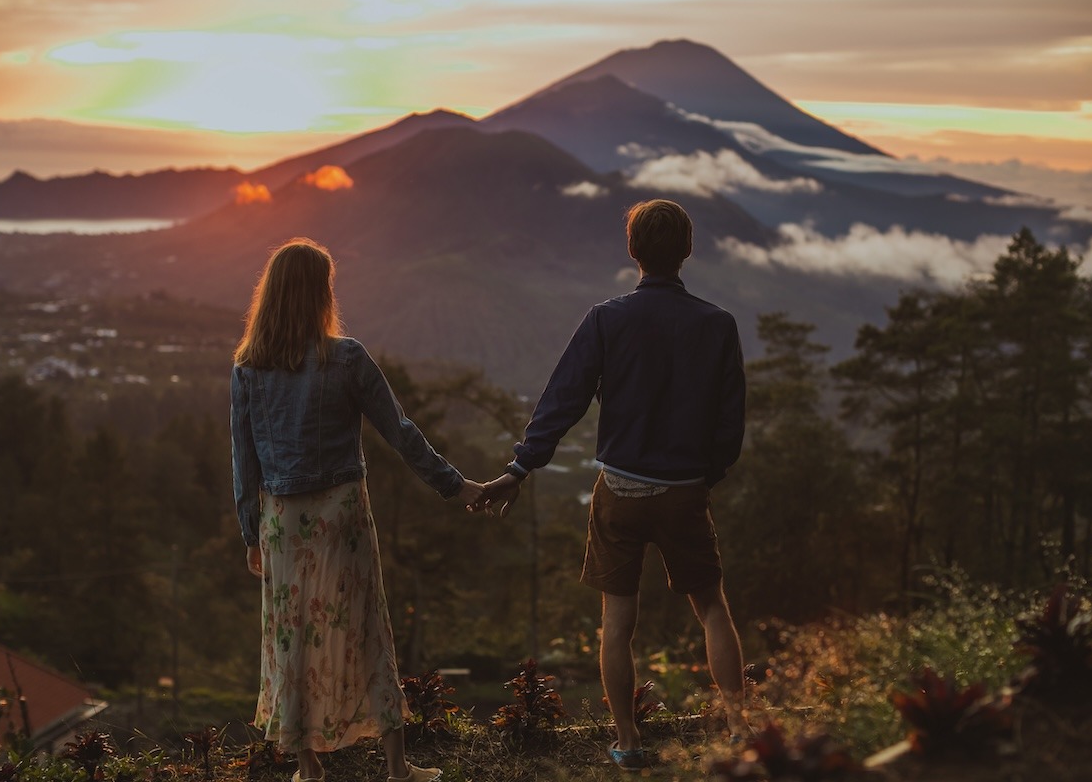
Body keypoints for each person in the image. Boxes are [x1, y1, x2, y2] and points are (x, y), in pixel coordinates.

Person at [474, 199, 749, 769]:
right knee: (712, 608)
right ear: (687, 251)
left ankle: (627, 743)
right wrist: (702, 477)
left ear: (633, 251)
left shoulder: (606, 319)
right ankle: (740, 730)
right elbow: (730, 422)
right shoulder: (717, 324)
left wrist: (520, 467)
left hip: (619, 492)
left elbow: (563, 399)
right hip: (684, 491)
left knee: (616, 624)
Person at [230, 238, 482, 782]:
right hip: (341, 515)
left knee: (290, 639)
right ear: (320, 293)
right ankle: (396, 770)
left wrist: (251, 533)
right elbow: (401, 432)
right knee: (366, 629)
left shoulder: (249, 367)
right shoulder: (346, 358)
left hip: (282, 522)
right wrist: (453, 486)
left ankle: (309, 768)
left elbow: (243, 460)